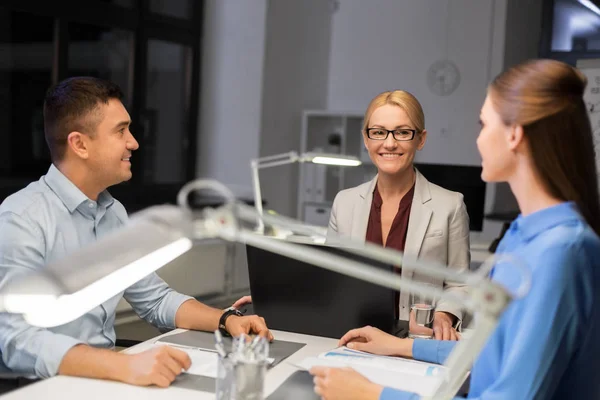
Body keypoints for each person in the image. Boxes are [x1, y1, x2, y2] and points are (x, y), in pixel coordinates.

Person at [310, 59, 600, 399]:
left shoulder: (561, 251)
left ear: (514, 135)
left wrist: (373, 395)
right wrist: (402, 347)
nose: (477, 141)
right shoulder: (522, 234)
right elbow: (490, 350)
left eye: (483, 124)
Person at [0, 77, 272, 390]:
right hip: (46, 387)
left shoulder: (112, 212)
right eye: (121, 131)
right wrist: (124, 364)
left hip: (104, 379)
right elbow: (15, 339)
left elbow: (155, 300)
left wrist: (227, 320)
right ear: (79, 144)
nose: (134, 142)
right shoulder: (22, 217)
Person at [327, 90, 469, 340]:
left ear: (420, 139)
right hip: (352, 337)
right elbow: (329, 277)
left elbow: (460, 284)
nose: (389, 143)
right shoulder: (344, 202)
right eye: (379, 132)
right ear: (366, 139)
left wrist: (445, 315)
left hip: (415, 341)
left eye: (402, 132)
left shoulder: (451, 205)